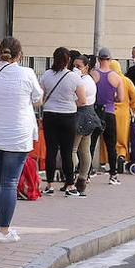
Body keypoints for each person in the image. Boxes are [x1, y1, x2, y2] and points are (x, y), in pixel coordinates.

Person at [0, 37, 41, 243]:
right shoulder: (27, 73)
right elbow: (38, 98)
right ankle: (4, 231)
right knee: (9, 183)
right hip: (17, 134)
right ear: (19, 55)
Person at [39, 47, 86, 195]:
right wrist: (71, 103)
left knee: (51, 150)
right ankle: (70, 184)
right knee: (67, 151)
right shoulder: (74, 77)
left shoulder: (46, 75)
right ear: (68, 60)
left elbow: (40, 97)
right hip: (68, 116)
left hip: (50, 115)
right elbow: (82, 100)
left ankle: (50, 184)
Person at [91, 48, 123, 185]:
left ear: (99, 59)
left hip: (94, 111)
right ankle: (113, 175)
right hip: (109, 112)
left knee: (91, 144)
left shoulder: (93, 74)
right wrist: (112, 99)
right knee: (111, 145)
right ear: (110, 60)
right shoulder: (116, 77)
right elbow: (121, 98)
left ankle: (86, 174)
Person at [70, 53, 98, 197]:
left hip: (81, 114)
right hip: (89, 114)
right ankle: (82, 179)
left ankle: (72, 178)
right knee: (84, 150)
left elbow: (77, 98)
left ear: (86, 67)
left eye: (78, 66)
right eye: (74, 66)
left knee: (73, 149)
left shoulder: (84, 82)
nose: (75, 69)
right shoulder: (89, 80)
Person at [107, 59, 135, 173]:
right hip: (123, 113)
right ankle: (121, 156)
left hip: (108, 111)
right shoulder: (126, 81)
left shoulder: (107, 79)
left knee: (109, 138)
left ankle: (107, 160)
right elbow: (134, 96)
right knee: (122, 138)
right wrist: (133, 108)